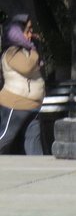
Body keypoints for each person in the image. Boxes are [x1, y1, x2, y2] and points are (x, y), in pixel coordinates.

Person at [0, 14, 46, 155]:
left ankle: (38, 168)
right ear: (17, 33)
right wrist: (33, 50)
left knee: (33, 138)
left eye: (31, 30)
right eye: (27, 31)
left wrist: (34, 48)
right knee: (5, 137)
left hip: (33, 106)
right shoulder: (12, 52)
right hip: (15, 105)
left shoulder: (29, 50)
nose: (31, 34)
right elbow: (26, 67)